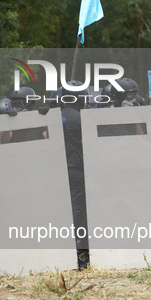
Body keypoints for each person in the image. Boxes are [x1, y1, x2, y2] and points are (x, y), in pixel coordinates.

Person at [61, 81, 90, 270]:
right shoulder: (82, 118)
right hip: (78, 170)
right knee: (78, 212)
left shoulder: (57, 116)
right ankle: (81, 253)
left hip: (60, 171)